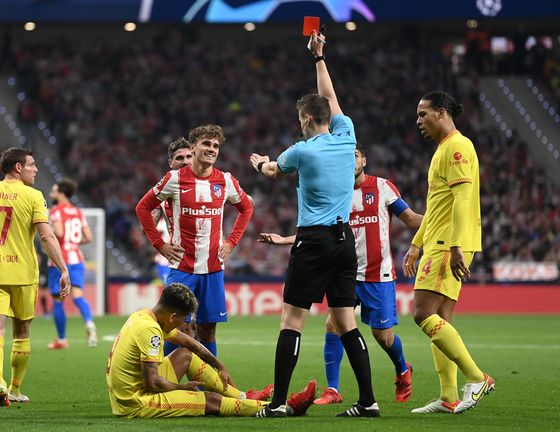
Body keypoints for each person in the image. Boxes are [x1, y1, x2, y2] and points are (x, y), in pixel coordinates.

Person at [249, 30, 378, 417]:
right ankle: (368, 401)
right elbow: (332, 99)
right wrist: (319, 57)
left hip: (314, 241)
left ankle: (277, 404)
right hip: (345, 242)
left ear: (305, 119)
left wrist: (260, 163)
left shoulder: (300, 151)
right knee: (346, 323)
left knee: (291, 320)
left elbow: (273, 172)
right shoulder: (346, 136)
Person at [258, 142, 424, 405]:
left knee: (383, 336)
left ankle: (403, 369)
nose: (351, 161)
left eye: (355, 156)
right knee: (333, 325)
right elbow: (319, 230)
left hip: (376, 274)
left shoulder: (382, 187)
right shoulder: (338, 191)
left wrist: (442, 226)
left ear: (364, 160)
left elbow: (412, 218)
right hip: (344, 271)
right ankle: (333, 390)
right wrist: (284, 240)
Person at [403, 91, 494, 414]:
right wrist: (416, 243)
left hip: (448, 244)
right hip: (440, 241)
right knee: (441, 319)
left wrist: (455, 245)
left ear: (441, 113)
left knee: (422, 313)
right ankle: (448, 396)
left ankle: (477, 377)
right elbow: (438, 206)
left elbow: (463, 199)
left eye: (423, 114)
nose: (418, 122)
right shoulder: (444, 149)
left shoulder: (457, 147)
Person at [106, 282, 316, 418]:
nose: (185, 325)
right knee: (211, 401)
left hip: (133, 389)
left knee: (186, 356)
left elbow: (190, 344)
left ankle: (243, 397)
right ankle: (278, 408)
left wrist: (220, 365)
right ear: (172, 317)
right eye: (183, 320)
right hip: (136, 403)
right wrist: (182, 388)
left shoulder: (145, 316)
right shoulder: (149, 329)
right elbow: (152, 383)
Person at [136, 124, 254, 358]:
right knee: (174, 328)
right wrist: (160, 245)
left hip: (213, 267)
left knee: (208, 330)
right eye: (206, 144)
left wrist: (231, 242)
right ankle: (165, 379)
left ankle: (206, 386)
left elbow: (247, 207)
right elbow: (143, 207)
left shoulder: (226, 180)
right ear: (194, 147)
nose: (211, 149)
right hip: (182, 267)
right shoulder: (174, 179)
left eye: (215, 146)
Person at [0, 147, 70, 406]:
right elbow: (46, 236)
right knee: (22, 332)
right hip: (24, 274)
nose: (36, 170)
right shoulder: (34, 196)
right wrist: (63, 268)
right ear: (17, 167)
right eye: (32, 165)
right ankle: (14, 388)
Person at [46, 179, 98, 349]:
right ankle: (90, 324)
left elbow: (59, 232)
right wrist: (73, 243)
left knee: (57, 300)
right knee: (77, 295)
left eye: (54, 191)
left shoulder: (55, 211)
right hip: (77, 257)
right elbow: (89, 237)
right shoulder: (77, 212)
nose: (51, 193)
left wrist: (46, 229)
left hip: (60, 261)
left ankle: (61, 339)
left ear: (61, 193)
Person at [153, 137, 193, 285]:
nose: (185, 161)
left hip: (210, 263)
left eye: (189, 156)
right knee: (172, 306)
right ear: (171, 163)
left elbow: (245, 204)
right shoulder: (164, 191)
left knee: (208, 308)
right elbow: (147, 222)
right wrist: (160, 245)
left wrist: (229, 243)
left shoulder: (213, 181)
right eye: (180, 158)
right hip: (180, 262)